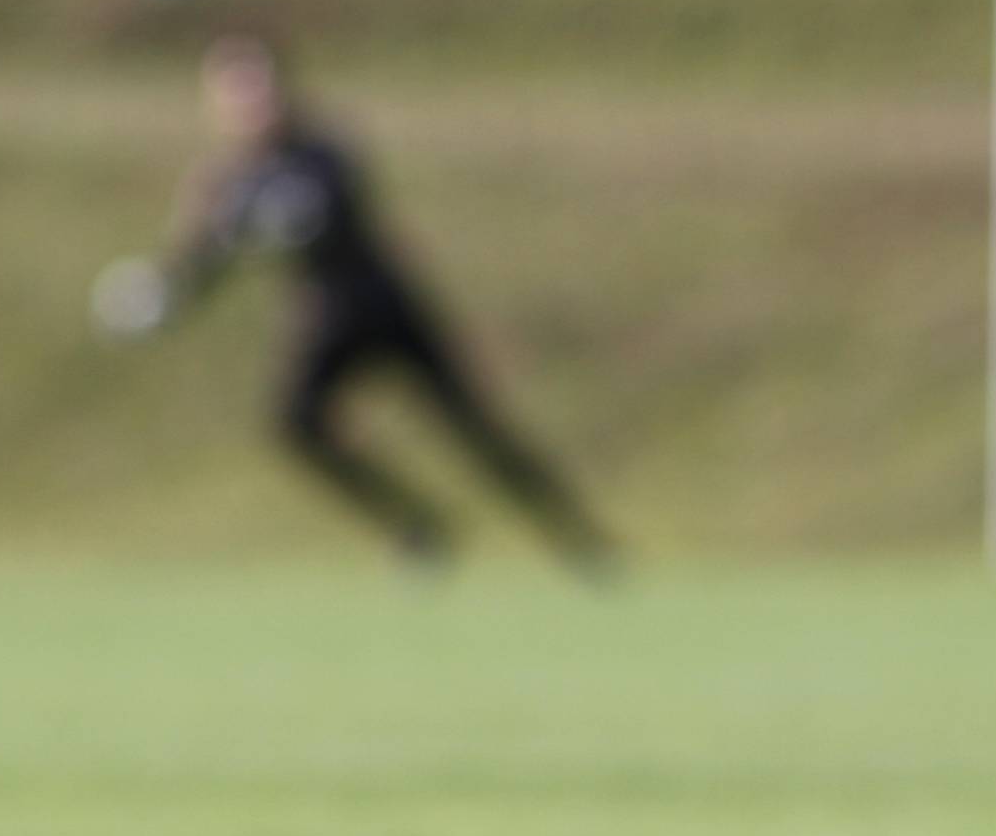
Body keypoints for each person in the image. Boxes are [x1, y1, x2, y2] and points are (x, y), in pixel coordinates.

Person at [95, 36, 616, 571]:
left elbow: (325, 212)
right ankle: (419, 526)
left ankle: (580, 542)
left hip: (386, 303)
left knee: (475, 427)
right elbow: (202, 263)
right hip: (323, 317)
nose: (252, 103)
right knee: (295, 425)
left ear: (283, 90)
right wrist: (158, 298)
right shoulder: (221, 184)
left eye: (259, 89)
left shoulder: (322, 151)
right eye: (236, 93)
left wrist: (258, 226)